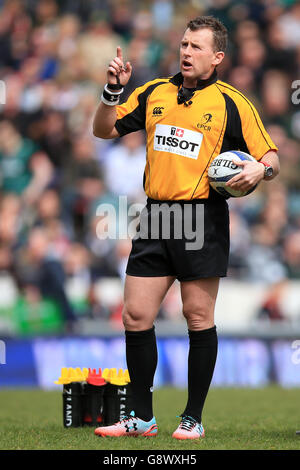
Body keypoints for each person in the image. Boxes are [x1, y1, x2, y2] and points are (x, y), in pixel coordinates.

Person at [92, 16, 280, 440]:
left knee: (198, 318)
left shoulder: (234, 102)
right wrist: (111, 92)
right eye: (183, 44)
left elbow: (272, 156)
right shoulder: (155, 91)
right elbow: (101, 130)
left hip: (202, 217)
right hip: (156, 215)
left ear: (217, 57)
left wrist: (260, 173)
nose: (186, 52)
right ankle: (141, 418)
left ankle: (192, 417)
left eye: (196, 46)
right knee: (135, 315)